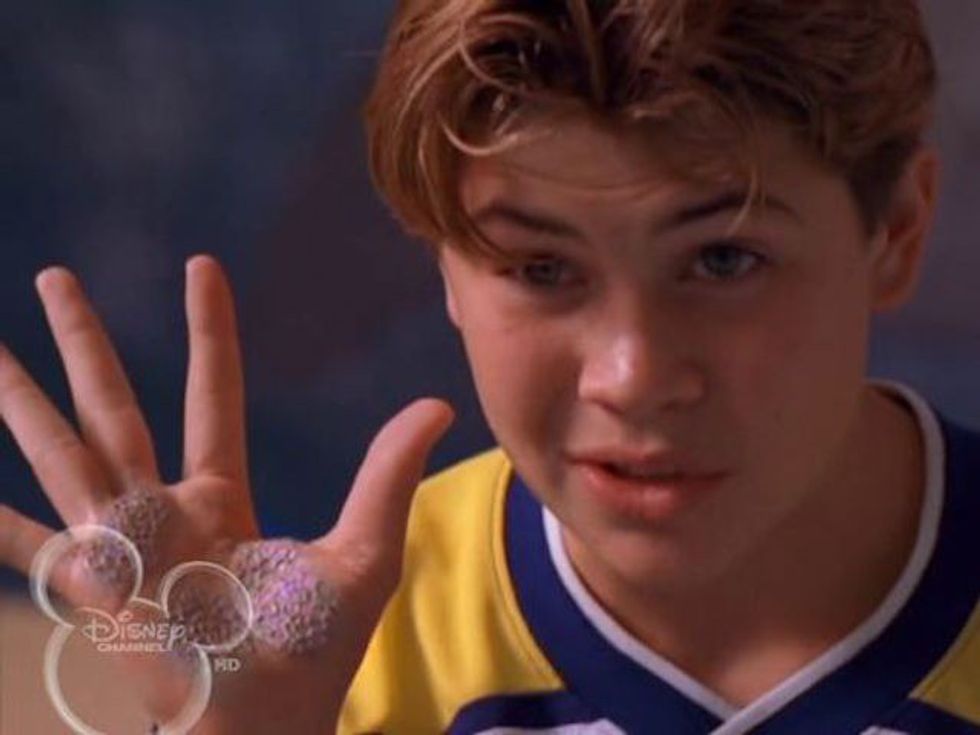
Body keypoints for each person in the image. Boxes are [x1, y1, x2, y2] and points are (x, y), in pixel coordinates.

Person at [0, 2, 977, 735]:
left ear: (894, 232)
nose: (631, 376)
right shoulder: (336, 648)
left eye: (722, 260)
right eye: (541, 268)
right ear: (442, 268)